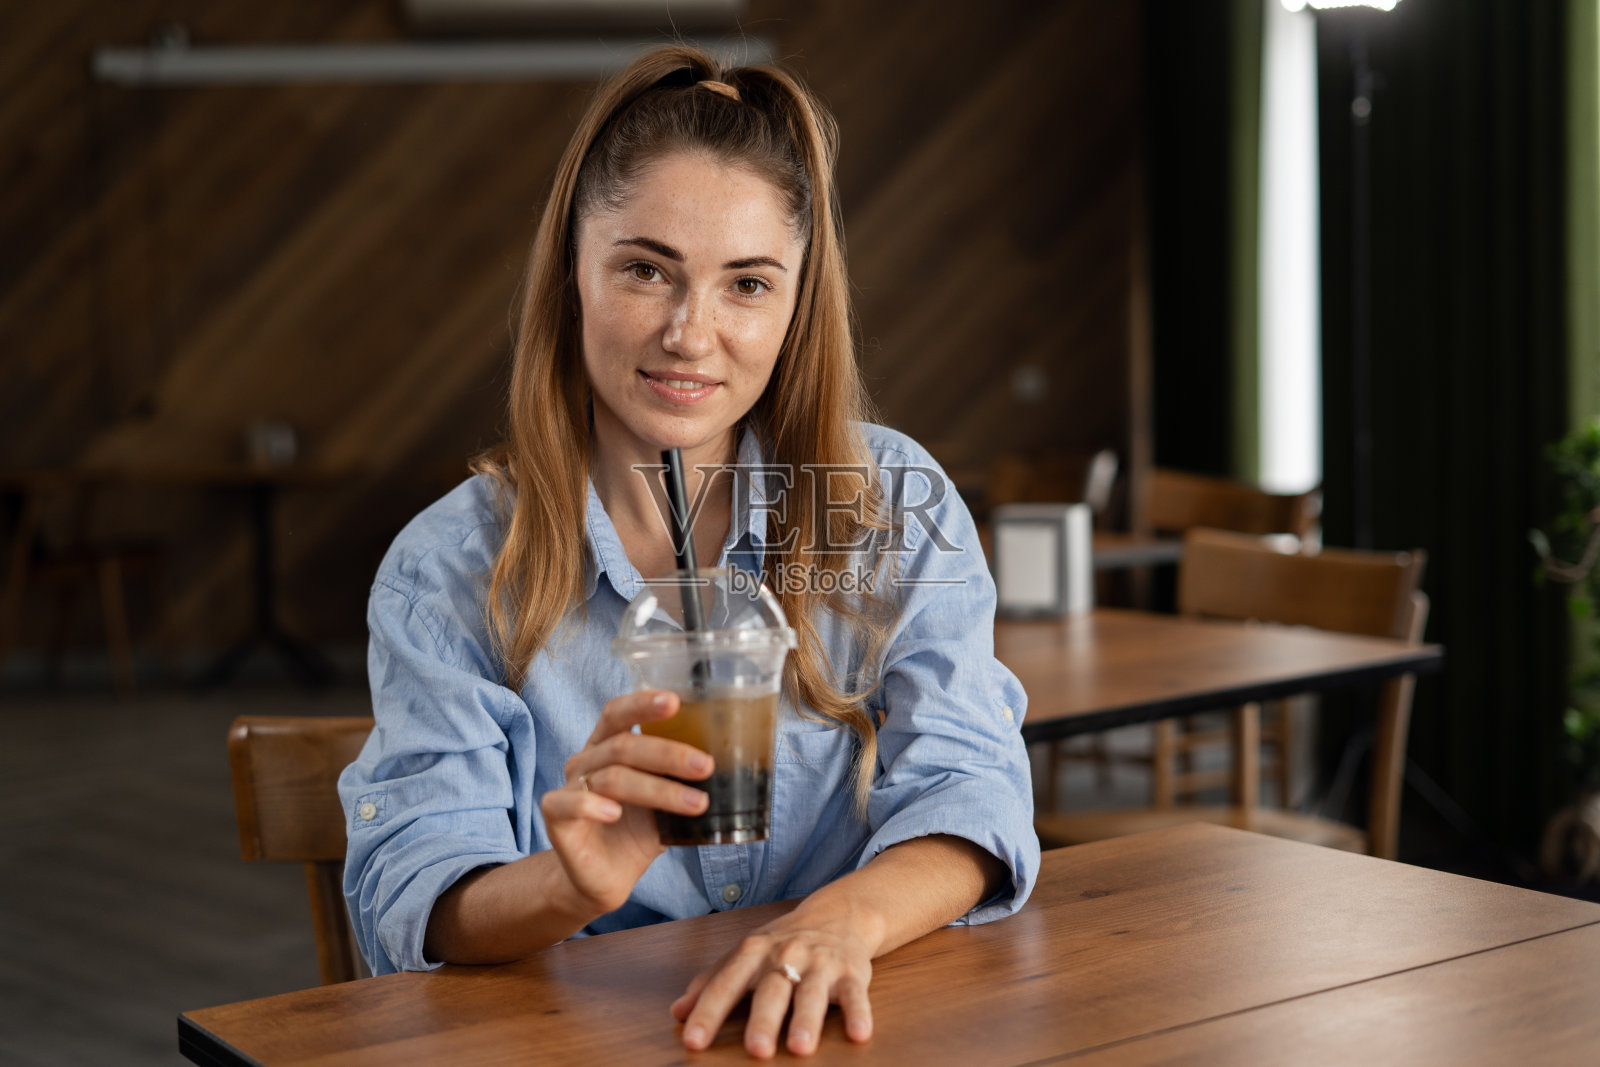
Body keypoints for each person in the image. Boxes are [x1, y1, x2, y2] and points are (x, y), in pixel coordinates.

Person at [339, 43, 1039, 1059]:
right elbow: (414, 892)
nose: (688, 332)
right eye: (644, 269)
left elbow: (968, 784)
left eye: (746, 284)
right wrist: (571, 880)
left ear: (796, 305)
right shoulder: (445, 566)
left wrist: (839, 919)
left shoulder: (888, 501)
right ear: (572, 274)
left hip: (845, 1025)